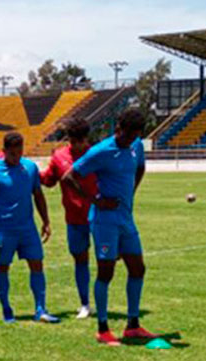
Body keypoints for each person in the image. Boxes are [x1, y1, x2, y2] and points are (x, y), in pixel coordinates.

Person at [65, 109, 156, 346]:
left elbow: (140, 168)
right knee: (106, 272)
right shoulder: (102, 151)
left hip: (126, 219)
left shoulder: (136, 146)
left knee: (138, 268)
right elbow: (69, 176)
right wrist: (96, 199)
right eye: (126, 136)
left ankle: (132, 326)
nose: (129, 140)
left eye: (134, 136)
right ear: (118, 129)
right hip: (104, 221)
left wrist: (131, 193)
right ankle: (103, 329)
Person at [0, 132, 60, 324]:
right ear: (4, 151)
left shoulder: (30, 168)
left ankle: (40, 308)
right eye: (12, 154)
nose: (16, 157)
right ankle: (6, 308)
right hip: (5, 230)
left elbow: (38, 194)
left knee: (37, 263)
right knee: (3, 267)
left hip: (27, 228)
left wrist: (46, 221)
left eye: (20, 152)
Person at [40, 118, 97, 319]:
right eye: (73, 141)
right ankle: (85, 304)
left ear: (86, 138)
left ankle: (104, 302)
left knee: (108, 258)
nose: (77, 145)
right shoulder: (59, 156)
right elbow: (48, 181)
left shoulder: (97, 154)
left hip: (100, 216)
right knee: (80, 259)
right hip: (74, 218)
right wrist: (27, 170)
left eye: (81, 141)